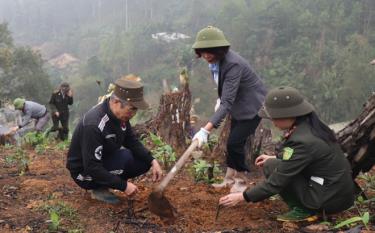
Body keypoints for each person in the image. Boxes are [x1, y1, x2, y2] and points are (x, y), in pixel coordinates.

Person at [219, 87, 355, 222]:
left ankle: (305, 210)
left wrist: (243, 196)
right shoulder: (310, 127)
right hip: (335, 191)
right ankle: (308, 205)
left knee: (275, 169)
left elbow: (276, 183)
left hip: (329, 199)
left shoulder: (303, 140)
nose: (273, 122)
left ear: (289, 115)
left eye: (275, 118)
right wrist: (275, 157)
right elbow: (305, 157)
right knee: (272, 163)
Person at [192, 26, 267, 193]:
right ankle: (229, 179)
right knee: (231, 143)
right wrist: (222, 97)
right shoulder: (215, 62)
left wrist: (205, 130)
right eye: (203, 51)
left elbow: (227, 102)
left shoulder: (233, 64)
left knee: (234, 143)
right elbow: (226, 89)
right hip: (238, 106)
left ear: (220, 49)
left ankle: (241, 181)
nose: (206, 55)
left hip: (252, 107)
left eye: (210, 51)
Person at [66, 77, 163, 204]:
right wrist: (124, 186)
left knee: (143, 161)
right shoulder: (94, 125)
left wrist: (152, 160)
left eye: (136, 109)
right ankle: (97, 188)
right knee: (125, 159)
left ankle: (109, 181)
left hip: (103, 159)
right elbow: (92, 167)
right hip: (85, 173)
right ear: (116, 102)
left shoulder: (121, 117)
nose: (133, 114)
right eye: (132, 108)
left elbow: (131, 141)